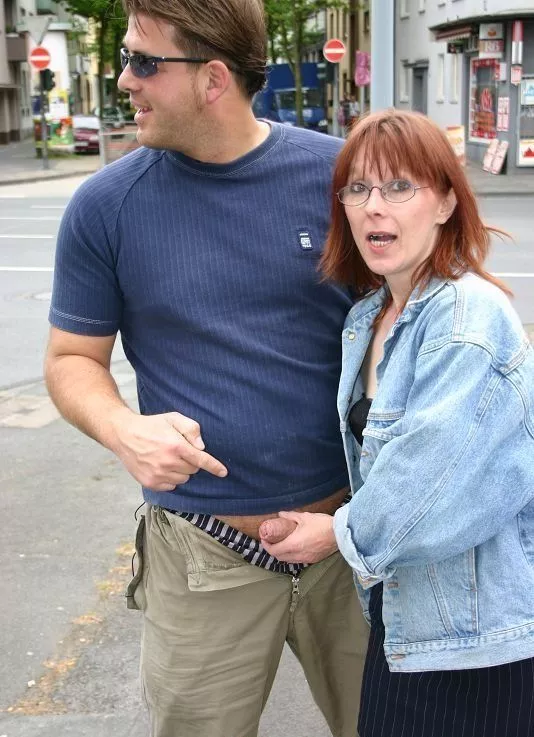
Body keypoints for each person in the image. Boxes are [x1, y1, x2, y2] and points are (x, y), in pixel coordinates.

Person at [44, 1, 369, 736]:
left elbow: (412, 323)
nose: (124, 79)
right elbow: (71, 358)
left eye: (143, 61)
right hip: (204, 554)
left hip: (350, 543)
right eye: (124, 58)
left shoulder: (342, 178)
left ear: (213, 78)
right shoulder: (106, 206)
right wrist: (122, 428)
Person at [260, 109, 534, 737]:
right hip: (405, 615)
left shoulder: (465, 319)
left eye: (399, 187)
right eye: (357, 188)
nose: (373, 207)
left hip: (477, 638)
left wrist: (336, 533)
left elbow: (431, 478)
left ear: (445, 202)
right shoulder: (369, 316)